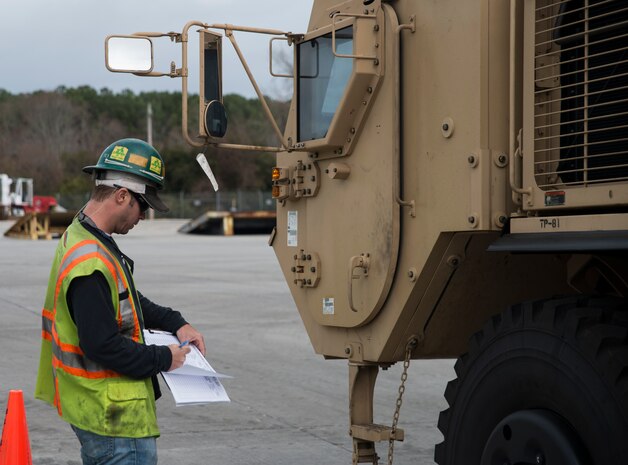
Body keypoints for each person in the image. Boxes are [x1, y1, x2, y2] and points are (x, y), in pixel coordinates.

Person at [35, 138, 205, 465]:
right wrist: (165, 357)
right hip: (113, 417)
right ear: (122, 195)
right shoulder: (90, 263)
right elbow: (102, 345)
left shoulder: (83, 234)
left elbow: (124, 297)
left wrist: (175, 322)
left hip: (96, 409)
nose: (143, 216)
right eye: (143, 206)